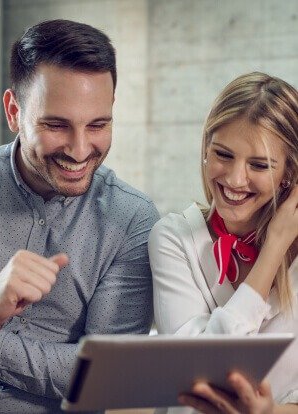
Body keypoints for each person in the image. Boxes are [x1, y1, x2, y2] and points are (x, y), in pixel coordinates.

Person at [0, 19, 159, 413]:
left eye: (98, 124)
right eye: (56, 125)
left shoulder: (133, 220)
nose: (80, 148)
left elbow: (107, 375)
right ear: (14, 111)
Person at [149, 72, 298, 413]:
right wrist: (273, 249)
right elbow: (198, 376)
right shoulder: (173, 237)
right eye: (223, 155)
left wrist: (270, 412)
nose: (234, 179)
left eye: (259, 165)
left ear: (289, 172)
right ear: (205, 149)